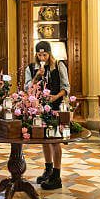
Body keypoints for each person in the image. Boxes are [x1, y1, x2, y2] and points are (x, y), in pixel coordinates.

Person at [24, 41, 70, 190]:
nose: (42, 57)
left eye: (45, 54)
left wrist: (56, 97)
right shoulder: (31, 68)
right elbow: (27, 88)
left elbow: (66, 87)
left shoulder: (58, 66)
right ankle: (48, 169)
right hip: (39, 108)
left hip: (56, 106)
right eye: (39, 54)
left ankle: (56, 175)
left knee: (55, 140)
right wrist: (37, 76)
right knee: (44, 138)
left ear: (49, 54)